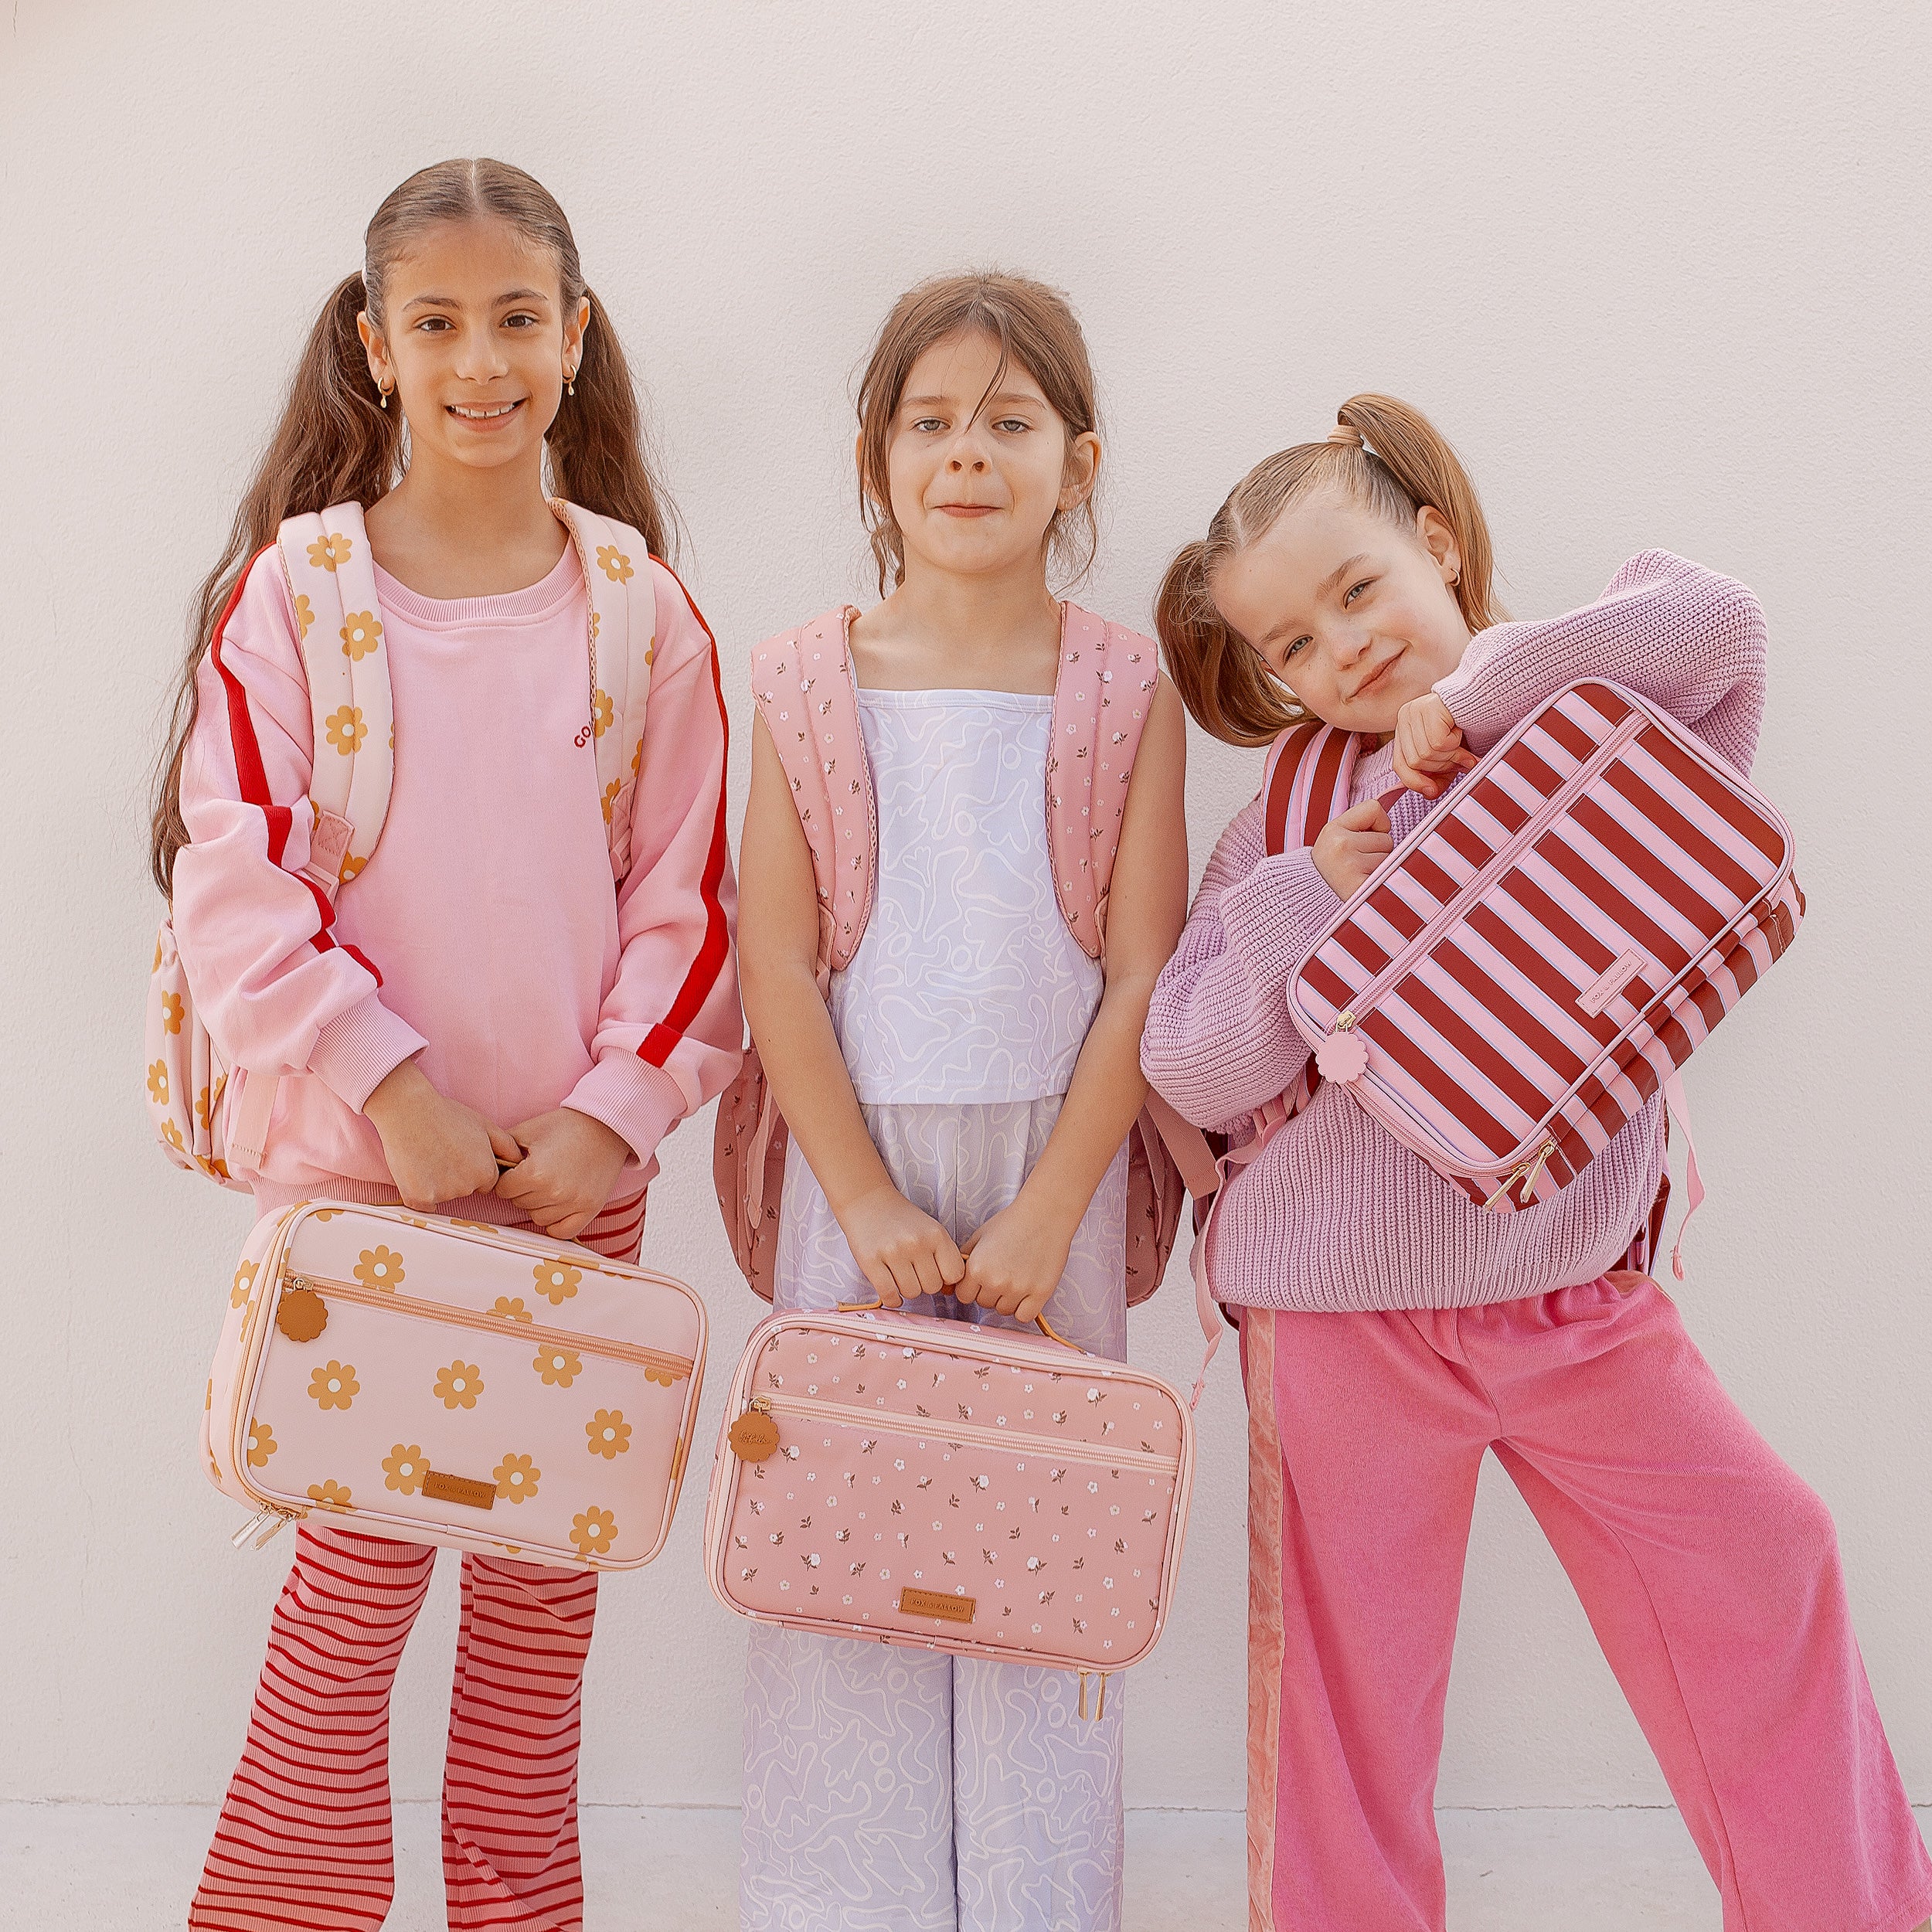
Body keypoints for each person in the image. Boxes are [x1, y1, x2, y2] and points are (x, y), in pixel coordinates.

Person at [1143, 393, 1932, 1932]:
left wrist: (1488, 683)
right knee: (1342, 1707)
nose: (1338, 652)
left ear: (1433, 539)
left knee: (1765, 1557)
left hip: (1576, 1299)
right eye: (1290, 645)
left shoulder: (1593, 707)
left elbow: (1721, 619)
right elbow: (1189, 1064)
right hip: (1335, 1323)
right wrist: (1311, 900)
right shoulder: (1286, 823)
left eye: (1356, 587)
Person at [154, 158, 740, 1932]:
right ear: (374, 345)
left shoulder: (644, 610)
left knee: (537, 1614)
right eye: (435, 321)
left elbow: (690, 894)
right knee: (348, 1589)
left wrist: (613, 1112)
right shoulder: (296, 595)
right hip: (365, 1178)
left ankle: (517, 1913)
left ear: (574, 339)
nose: (478, 358)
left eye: (513, 319)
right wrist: (392, 1091)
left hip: (574, 1190)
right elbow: (231, 874)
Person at [733, 271, 1187, 1932]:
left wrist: (1057, 1203)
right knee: (841, 1548)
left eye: (1007, 421)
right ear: (873, 460)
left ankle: (1036, 1895)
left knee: (1047, 1552)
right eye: (926, 422)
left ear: (1076, 458)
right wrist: (858, 1199)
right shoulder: (796, 678)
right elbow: (775, 967)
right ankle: (832, 1896)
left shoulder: (1121, 685)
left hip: (1043, 1167)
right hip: (859, 1170)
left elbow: (1145, 968)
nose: (964, 454)